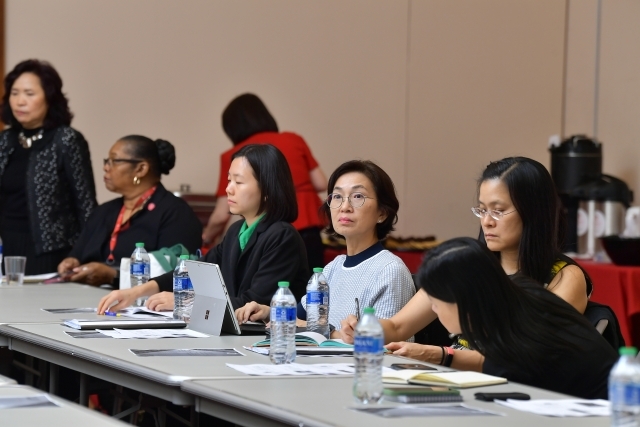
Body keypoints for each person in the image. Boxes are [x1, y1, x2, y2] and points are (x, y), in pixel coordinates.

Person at [340, 157, 593, 370]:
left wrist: (441, 355)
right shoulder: (468, 264)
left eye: (498, 210)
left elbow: (530, 359)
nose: (487, 221)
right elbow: (398, 326)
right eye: (482, 210)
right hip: (455, 381)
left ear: (534, 212)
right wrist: (365, 329)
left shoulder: (564, 277)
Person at [97, 144, 309, 313]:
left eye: (238, 182)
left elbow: (254, 303)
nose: (228, 189)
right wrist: (135, 292)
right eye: (229, 180)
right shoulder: (236, 231)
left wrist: (184, 302)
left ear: (267, 190)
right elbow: (195, 269)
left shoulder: (282, 236)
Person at [418, 237, 616, 399]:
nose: (433, 309)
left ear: (461, 300)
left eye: (435, 302)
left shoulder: (516, 341)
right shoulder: (521, 293)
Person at [235, 160, 415, 337]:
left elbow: (384, 346)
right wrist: (267, 313)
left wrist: (324, 331)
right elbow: (299, 318)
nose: (345, 207)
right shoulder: (332, 268)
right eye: (337, 196)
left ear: (382, 213)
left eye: (358, 196)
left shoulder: (389, 270)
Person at [202, 93, 327, 270]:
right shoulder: (293, 139)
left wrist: (206, 236)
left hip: (265, 233)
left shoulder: (235, 156)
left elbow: (221, 214)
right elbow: (321, 183)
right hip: (308, 225)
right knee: (312, 281)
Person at [57, 135, 202, 287]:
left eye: (114, 161)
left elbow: (176, 273)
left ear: (141, 169)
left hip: (142, 299)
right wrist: (72, 261)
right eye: (107, 161)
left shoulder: (177, 214)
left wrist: (114, 276)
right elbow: (78, 254)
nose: (106, 167)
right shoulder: (103, 211)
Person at [0, 59, 97, 274]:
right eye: (14, 93)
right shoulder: (5, 140)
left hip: (52, 251)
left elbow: (86, 206)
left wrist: (80, 255)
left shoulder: (66, 140)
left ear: (49, 98)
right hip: (7, 246)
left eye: (29, 94)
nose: (20, 101)